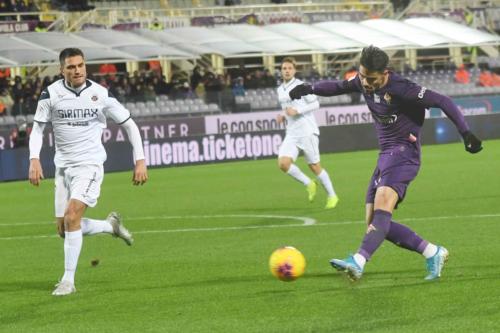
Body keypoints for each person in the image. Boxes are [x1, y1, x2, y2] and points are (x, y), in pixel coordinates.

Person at [289, 46, 482, 281]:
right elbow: (338, 87)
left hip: (404, 154)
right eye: (362, 76)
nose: (365, 83)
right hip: (386, 156)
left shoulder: (402, 88)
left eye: (371, 79)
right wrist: (309, 88)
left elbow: (442, 100)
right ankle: (433, 252)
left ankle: (358, 261)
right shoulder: (362, 80)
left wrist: (466, 133)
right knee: (375, 222)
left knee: (382, 209)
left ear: (385, 73)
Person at [28, 48, 148, 296]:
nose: (77, 70)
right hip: (62, 168)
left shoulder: (99, 93)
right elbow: (38, 130)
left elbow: (129, 125)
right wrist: (34, 159)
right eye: (71, 67)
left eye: (81, 65)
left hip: (90, 165)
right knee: (64, 229)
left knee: (72, 216)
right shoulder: (50, 94)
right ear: (62, 70)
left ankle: (68, 281)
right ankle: (110, 226)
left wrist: (140, 160)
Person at [277, 57, 339, 209]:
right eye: (284, 68)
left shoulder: (301, 86)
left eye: (289, 68)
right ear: (281, 71)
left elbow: (316, 103)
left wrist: (297, 110)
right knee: (283, 164)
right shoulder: (279, 89)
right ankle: (309, 183)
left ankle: (332, 195)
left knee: (315, 166)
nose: (286, 71)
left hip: (307, 131)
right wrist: (283, 115)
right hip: (291, 132)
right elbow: (288, 108)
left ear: (294, 70)